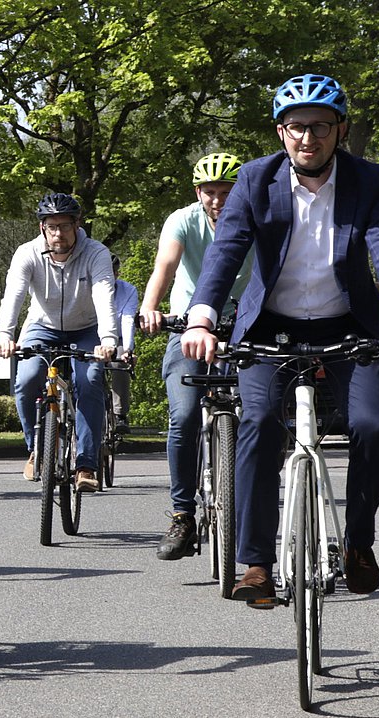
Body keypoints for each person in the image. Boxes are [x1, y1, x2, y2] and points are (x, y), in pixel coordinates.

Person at [181, 74, 379, 603]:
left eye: (320, 126)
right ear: (281, 132)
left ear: (340, 129)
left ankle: (358, 544)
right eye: (296, 127)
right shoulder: (254, 180)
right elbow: (227, 253)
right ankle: (256, 563)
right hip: (271, 325)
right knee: (258, 423)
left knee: (370, 425)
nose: (308, 138)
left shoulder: (370, 181)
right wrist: (200, 318)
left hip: (348, 325)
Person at [140, 152, 254, 561]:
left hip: (245, 326)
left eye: (227, 191)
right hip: (189, 327)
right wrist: (151, 307)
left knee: (263, 411)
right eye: (210, 192)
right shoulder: (183, 220)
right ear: (198, 193)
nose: (218, 200)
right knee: (184, 414)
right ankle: (182, 514)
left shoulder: (256, 217)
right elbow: (165, 267)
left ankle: (253, 504)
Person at [0, 192, 120, 493]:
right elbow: (14, 294)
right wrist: (4, 334)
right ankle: (36, 448)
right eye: (52, 226)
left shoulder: (96, 253)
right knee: (25, 379)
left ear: (76, 225)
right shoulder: (27, 253)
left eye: (65, 226)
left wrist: (108, 339)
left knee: (89, 380)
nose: (58, 233)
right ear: (42, 227)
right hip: (43, 325)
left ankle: (86, 466)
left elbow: (105, 296)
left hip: (86, 328)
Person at [106, 254, 139, 434]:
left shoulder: (128, 291)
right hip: (92, 335)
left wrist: (128, 349)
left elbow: (128, 320)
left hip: (118, 337)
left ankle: (120, 415)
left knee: (120, 363)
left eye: (112, 273)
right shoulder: (86, 287)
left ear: (117, 274)